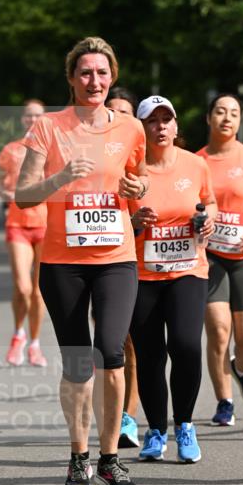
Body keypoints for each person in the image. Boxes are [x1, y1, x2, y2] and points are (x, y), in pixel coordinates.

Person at [16, 36, 148, 485]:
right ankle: (78, 457)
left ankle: (110, 461)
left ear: (113, 78)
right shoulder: (48, 127)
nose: (95, 81)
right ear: (72, 79)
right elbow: (24, 194)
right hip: (62, 263)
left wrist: (137, 189)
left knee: (111, 351)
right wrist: (60, 178)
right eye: (86, 73)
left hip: (116, 258)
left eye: (102, 73)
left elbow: (138, 182)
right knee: (77, 364)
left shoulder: (131, 128)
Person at [128, 95, 216, 463]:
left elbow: (210, 203)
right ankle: (155, 430)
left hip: (188, 270)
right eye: (152, 120)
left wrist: (208, 221)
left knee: (186, 345)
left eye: (166, 119)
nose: (160, 126)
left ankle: (184, 425)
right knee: (149, 354)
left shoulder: (195, 164)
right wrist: (134, 222)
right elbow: (115, 219)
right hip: (141, 274)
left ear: (176, 126)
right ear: (141, 128)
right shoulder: (129, 171)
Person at [197, 94, 243, 427]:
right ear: (208, 117)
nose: (227, 118)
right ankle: (224, 401)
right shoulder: (196, 162)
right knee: (218, 329)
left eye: (234, 113)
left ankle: (241, 368)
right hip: (210, 257)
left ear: (240, 121)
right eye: (220, 111)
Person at [0, 99, 49, 367]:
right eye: (29, 115)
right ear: (22, 119)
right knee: (23, 287)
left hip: (46, 225)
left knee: (38, 292)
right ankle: (19, 334)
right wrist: (5, 193)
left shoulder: (53, 149)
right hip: (17, 224)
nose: (33, 120)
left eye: (38, 115)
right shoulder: (11, 149)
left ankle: (35, 344)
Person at [106, 86, 141, 449]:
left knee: (132, 345)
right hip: (109, 263)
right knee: (112, 343)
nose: (117, 118)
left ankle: (128, 418)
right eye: (111, 111)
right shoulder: (98, 157)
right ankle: (115, 417)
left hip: (152, 265)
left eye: (124, 113)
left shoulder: (141, 158)